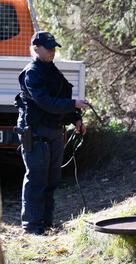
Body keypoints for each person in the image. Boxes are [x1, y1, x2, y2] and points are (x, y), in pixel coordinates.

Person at [16, 31, 90, 235]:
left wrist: (75, 118)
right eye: (48, 48)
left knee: (52, 179)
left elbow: (59, 99)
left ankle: (46, 223)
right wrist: (73, 104)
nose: (52, 51)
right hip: (36, 132)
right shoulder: (32, 72)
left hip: (54, 132)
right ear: (36, 48)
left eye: (54, 47)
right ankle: (32, 226)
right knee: (37, 179)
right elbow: (46, 103)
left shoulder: (51, 70)